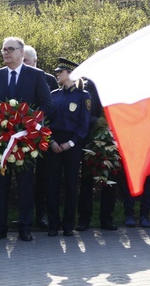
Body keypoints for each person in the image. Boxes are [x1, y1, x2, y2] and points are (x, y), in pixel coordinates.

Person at [0, 37, 53, 241]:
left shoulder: (36, 75)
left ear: (22, 53)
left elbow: (47, 105)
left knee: (25, 186)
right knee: (0, 186)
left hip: (25, 141)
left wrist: (30, 125)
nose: (6, 53)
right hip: (1, 142)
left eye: (10, 49)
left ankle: (25, 227)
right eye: (4, 50)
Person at [45, 59, 91, 236]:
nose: (57, 74)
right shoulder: (53, 95)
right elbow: (46, 121)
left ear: (71, 73)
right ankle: (53, 225)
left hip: (72, 144)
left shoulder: (83, 96)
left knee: (71, 185)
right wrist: (51, 142)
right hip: (55, 143)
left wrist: (70, 143)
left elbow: (83, 124)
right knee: (52, 184)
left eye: (61, 72)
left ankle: (68, 225)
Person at [76, 78, 118, 231]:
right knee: (87, 181)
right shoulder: (89, 85)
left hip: (112, 140)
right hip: (91, 139)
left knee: (110, 181)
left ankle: (107, 219)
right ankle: (84, 219)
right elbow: (85, 114)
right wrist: (100, 123)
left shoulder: (117, 84)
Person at [23, 45, 57, 229]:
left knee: (43, 177)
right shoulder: (18, 77)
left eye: (27, 61)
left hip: (43, 137)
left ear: (35, 61)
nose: (24, 64)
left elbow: (52, 108)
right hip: (23, 136)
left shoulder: (49, 79)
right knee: (24, 178)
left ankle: (41, 213)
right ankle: (24, 214)